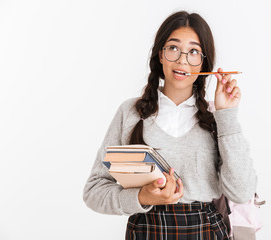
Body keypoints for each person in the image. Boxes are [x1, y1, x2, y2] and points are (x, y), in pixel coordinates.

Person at [83, 10, 257, 240]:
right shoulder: (131, 112)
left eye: (194, 51)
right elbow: (94, 191)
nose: (183, 59)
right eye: (174, 48)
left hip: (207, 231)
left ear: (204, 62)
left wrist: (227, 114)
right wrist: (142, 198)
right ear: (160, 55)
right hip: (147, 230)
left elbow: (241, 191)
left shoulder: (218, 116)